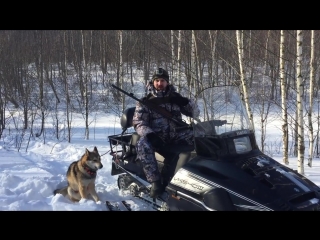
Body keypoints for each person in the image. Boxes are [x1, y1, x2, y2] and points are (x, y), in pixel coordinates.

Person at [132, 68, 200, 198]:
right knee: (143, 144)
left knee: (200, 134)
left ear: (167, 82)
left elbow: (196, 113)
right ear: (153, 82)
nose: (159, 83)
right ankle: (155, 182)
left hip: (176, 134)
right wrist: (150, 134)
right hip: (158, 136)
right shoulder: (145, 101)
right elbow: (138, 122)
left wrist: (186, 103)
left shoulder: (175, 97)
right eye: (157, 81)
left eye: (162, 80)